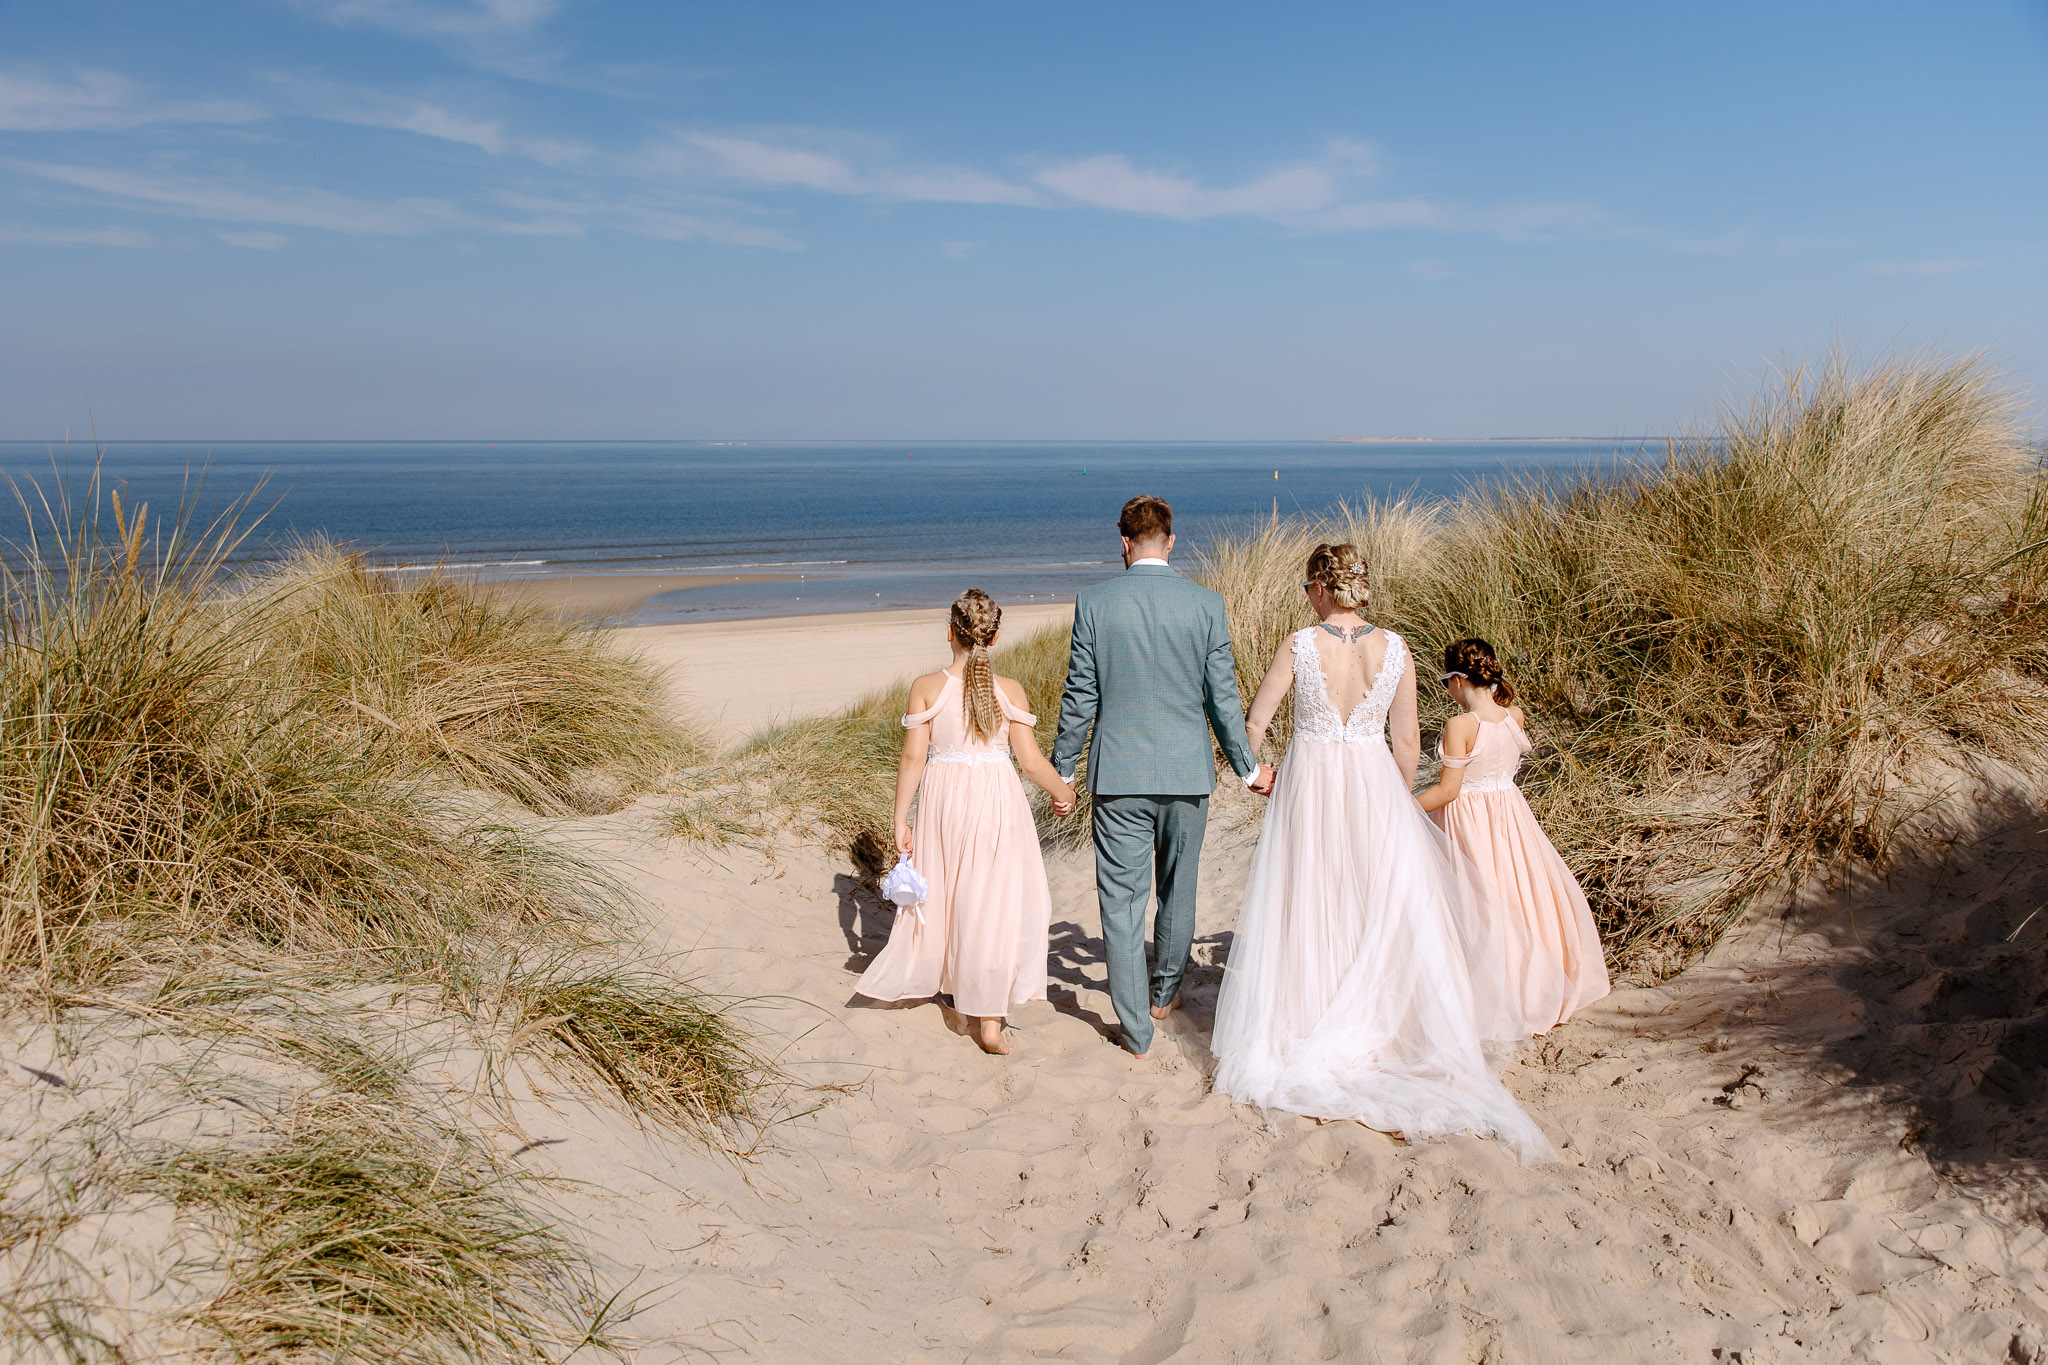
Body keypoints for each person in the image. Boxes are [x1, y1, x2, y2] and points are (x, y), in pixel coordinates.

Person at [1209, 543, 1557, 1162]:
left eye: (1308, 587)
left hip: (1311, 783)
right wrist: (1394, 802)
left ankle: (1308, 1019)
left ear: (1321, 588)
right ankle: (1384, 1023)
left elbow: (1254, 721)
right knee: (1376, 898)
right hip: (1372, 784)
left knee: (1311, 893)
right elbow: (1405, 741)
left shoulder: (1299, 645)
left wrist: (1252, 773)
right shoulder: (1396, 649)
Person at [1049, 495, 1275, 1058]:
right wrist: (1247, 768)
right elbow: (1222, 699)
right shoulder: (1205, 605)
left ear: (1123, 541)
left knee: (1121, 904)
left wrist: (1061, 771)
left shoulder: (1095, 603)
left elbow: (1080, 697)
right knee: (1179, 888)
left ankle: (1136, 1029)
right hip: (1186, 773)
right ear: (1170, 542)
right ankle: (1165, 991)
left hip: (1118, 774)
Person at [854, 589, 1075, 1055]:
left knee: (952, 892)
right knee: (990, 898)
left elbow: (913, 757)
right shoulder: (1009, 690)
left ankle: (955, 984)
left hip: (944, 802)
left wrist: (900, 817)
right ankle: (990, 1020)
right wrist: (1063, 792)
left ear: (950, 631)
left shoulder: (926, 687)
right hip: (997, 799)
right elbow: (1032, 762)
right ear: (993, 638)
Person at [1416, 638, 1610, 1029]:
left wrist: (1401, 806)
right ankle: (1540, 983)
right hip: (1511, 817)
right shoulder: (1513, 716)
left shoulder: (1460, 725)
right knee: (1521, 894)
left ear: (1457, 680)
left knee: (1482, 901)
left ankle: (1501, 995)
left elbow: (1449, 790)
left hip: (1470, 822)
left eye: (1444, 682)